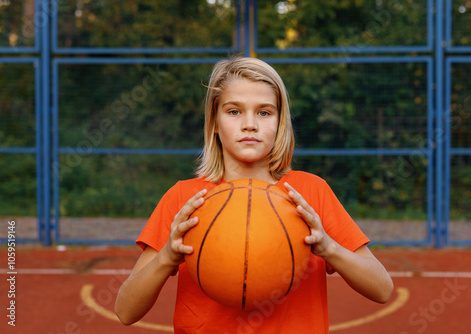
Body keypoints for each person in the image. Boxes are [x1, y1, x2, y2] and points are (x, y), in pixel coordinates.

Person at [115, 57, 393, 333]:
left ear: (280, 122)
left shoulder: (310, 194)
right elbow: (126, 311)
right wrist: (166, 257)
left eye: (264, 112)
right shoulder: (185, 199)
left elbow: (382, 288)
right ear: (214, 122)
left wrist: (329, 248)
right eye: (234, 111)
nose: (250, 124)